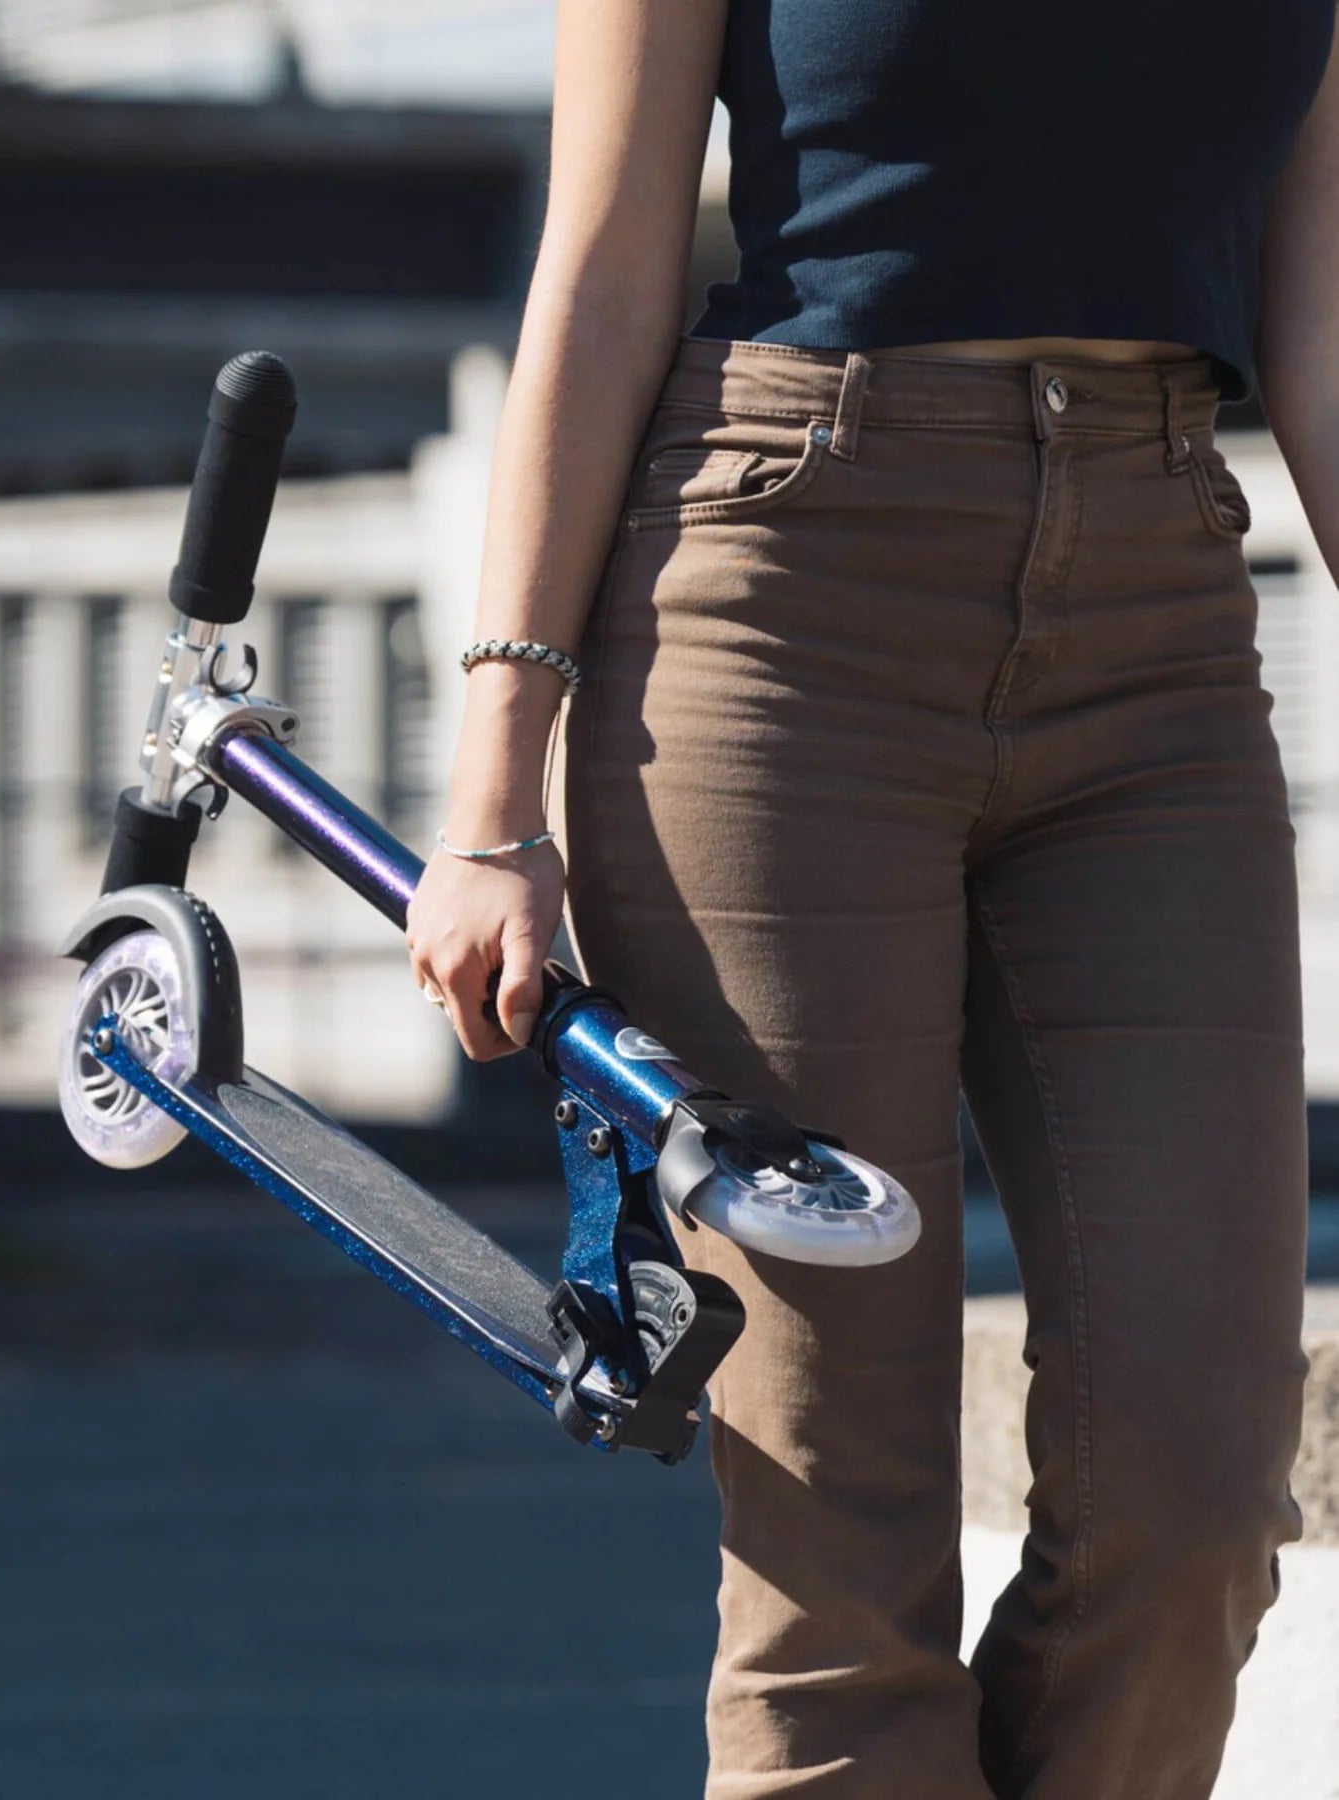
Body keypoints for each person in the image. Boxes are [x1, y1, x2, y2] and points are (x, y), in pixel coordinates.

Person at [404, 3, 1339, 1793]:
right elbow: (600, 270)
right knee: (836, 1556)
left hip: (1158, 629)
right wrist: (493, 790)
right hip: (779, 608)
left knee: (1199, 1496)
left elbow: (1322, 314)